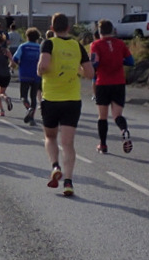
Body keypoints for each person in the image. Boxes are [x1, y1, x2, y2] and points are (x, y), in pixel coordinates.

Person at [37, 13, 94, 196]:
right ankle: (68, 182)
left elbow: (43, 66)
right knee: (68, 143)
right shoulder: (77, 45)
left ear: (52, 28)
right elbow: (90, 73)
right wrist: (75, 69)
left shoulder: (49, 43)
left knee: (50, 137)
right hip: (72, 100)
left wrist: (40, 71)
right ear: (68, 28)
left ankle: (55, 166)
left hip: (52, 98)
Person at [90, 19, 135, 154]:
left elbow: (94, 63)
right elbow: (131, 61)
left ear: (99, 31)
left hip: (103, 82)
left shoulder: (96, 45)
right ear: (112, 31)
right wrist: (119, 60)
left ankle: (103, 145)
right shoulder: (120, 44)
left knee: (102, 116)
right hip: (119, 82)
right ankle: (124, 130)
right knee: (117, 115)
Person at [13, 27, 42, 126]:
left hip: (25, 74)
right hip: (36, 75)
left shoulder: (23, 46)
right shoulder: (40, 47)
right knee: (33, 96)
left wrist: (19, 64)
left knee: (23, 96)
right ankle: (32, 118)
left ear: (27, 36)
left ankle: (28, 108)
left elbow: (15, 58)